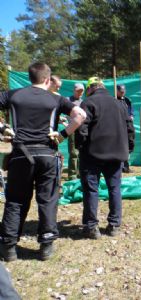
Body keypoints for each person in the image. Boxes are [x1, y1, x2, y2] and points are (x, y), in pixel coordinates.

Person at [0, 62, 86, 261]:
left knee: (15, 200)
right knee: (47, 199)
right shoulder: (55, 99)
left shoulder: (14, 95)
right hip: (47, 154)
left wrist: (3, 128)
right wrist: (63, 135)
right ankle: (46, 245)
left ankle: (8, 247)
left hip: (21, 154)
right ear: (48, 80)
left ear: (30, 78)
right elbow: (81, 115)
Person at [76, 77, 134, 239]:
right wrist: (129, 148)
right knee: (115, 189)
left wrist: (80, 147)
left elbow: (82, 129)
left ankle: (91, 227)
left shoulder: (88, 103)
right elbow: (130, 128)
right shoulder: (120, 104)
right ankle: (114, 225)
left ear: (90, 89)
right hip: (116, 154)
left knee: (91, 190)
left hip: (92, 155)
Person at [67, 83, 85, 180]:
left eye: (82, 91)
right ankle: (72, 175)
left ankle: (80, 173)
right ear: (74, 90)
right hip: (72, 129)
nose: (80, 92)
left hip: (81, 129)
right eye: (78, 90)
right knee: (73, 153)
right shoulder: (68, 100)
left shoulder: (83, 102)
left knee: (81, 152)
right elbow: (60, 111)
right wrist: (65, 121)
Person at [116, 84, 134, 173]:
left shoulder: (127, 100)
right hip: (118, 125)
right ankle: (120, 166)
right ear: (117, 91)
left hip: (128, 124)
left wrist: (131, 115)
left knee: (129, 143)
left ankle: (126, 166)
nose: (122, 93)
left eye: (124, 92)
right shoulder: (114, 100)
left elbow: (131, 110)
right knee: (120, 145)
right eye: (121, 92)